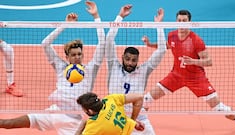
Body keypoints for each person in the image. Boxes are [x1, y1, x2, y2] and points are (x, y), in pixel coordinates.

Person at [0, 1, 105, 134]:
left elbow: (102, 44)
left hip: (73, 121)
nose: (77, 57)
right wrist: (65, 24)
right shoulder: (61, 66)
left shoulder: (90, 70)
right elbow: (45, 44)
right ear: (67, 57)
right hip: (53, 112)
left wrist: (96, 16)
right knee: (8, 123)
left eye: (79, 54)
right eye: (73, 55)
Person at [143, 9, 235, 124]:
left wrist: (193, 61)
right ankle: (142, 123)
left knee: (219, 108)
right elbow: (166, 46)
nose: (182, 23)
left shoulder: (196, 40)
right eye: (179, 20)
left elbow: (209, 61)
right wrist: (150, 44)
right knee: (147, 99)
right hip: (176, 76)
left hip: (196, 79)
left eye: (184, 20)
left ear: (189, 21)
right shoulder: (172, 35)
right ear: (176, 21)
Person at [105, 5, 166, 135]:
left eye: (133, 60)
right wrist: (120, 17)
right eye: (127, 59)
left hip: (138, 115)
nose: (130, 63)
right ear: (122, 57)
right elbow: (109, 41)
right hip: (116, 115)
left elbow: (162, 50)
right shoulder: (113, 66)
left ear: (137, 61)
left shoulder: (143, 71)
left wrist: (159, 25)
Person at [75, 92, 145, 135]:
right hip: (133, 130)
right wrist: (133, 120)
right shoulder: (110, 99)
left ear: (90, 111)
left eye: (83, 109)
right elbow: (139, 97)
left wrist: (83, 124)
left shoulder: (94, 125)